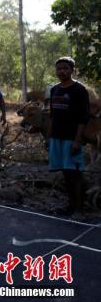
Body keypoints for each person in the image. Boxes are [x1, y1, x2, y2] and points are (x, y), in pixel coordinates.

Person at [48, 56, 90, 214]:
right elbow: (53, 115)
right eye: (59, 68)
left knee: (75, 173)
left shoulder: (79, 90)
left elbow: (83, 118)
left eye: (65, 68)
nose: (62, 71)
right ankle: (70, 206)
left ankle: (79, 208)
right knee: (65, 173)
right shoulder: (54, 90)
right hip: (57, 137)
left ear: (72, 70)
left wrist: (77, 140)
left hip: (71, 138)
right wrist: (49, 137)